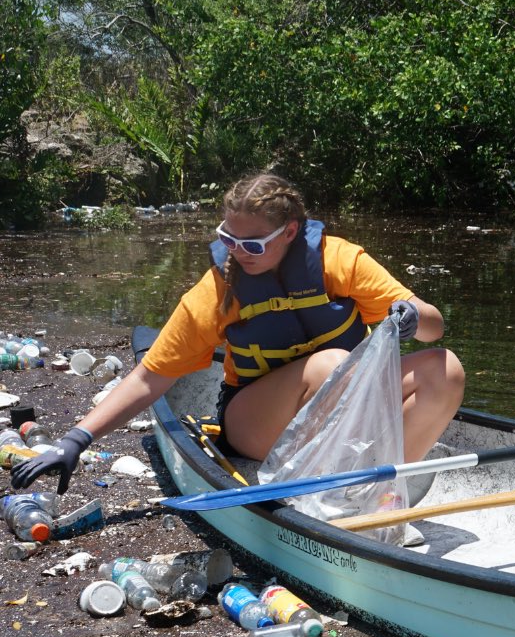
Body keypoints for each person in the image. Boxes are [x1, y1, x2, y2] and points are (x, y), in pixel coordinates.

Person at [12, 172, 465, 494]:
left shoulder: (339, 260)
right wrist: (75, 440)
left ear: (290, 232)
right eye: (228, 238)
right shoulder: (221, 287)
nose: (237, 252)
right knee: (330, 364)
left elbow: (433, 326)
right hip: (254, 423)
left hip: (341, 405)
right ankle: (329, 492)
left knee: (445, 370)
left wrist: (410, 314)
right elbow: (152, 377)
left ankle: (379, 488)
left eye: (251, 245)